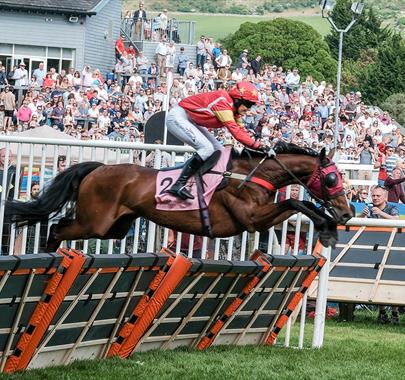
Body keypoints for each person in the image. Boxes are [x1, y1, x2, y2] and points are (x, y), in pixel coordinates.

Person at [165, 81, 270, 200]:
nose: (249, 108)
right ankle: (179, 184)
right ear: (238, 100)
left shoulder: (234, 111)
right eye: (248, 104)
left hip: (190, 119)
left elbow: (241, 130)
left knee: (219, 150)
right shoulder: (223, 103)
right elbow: (235, 132)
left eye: (251, 105)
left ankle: (198, 179)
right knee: (207, 148)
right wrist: (258, 146)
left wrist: (260, 145)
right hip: (178, 117)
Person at [361, 186, 400, 325]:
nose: (375, 198)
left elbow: (397, 220)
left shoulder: (392, 207)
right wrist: (361, 216)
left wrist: (381, 214)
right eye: (374, 196)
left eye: (378, 196)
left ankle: (395, 313)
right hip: (375, 247)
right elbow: (358, 223)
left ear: (385, 197)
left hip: (392, 247)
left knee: (391, 280)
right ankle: (382, 312)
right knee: (375, 279)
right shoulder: (369, 207)